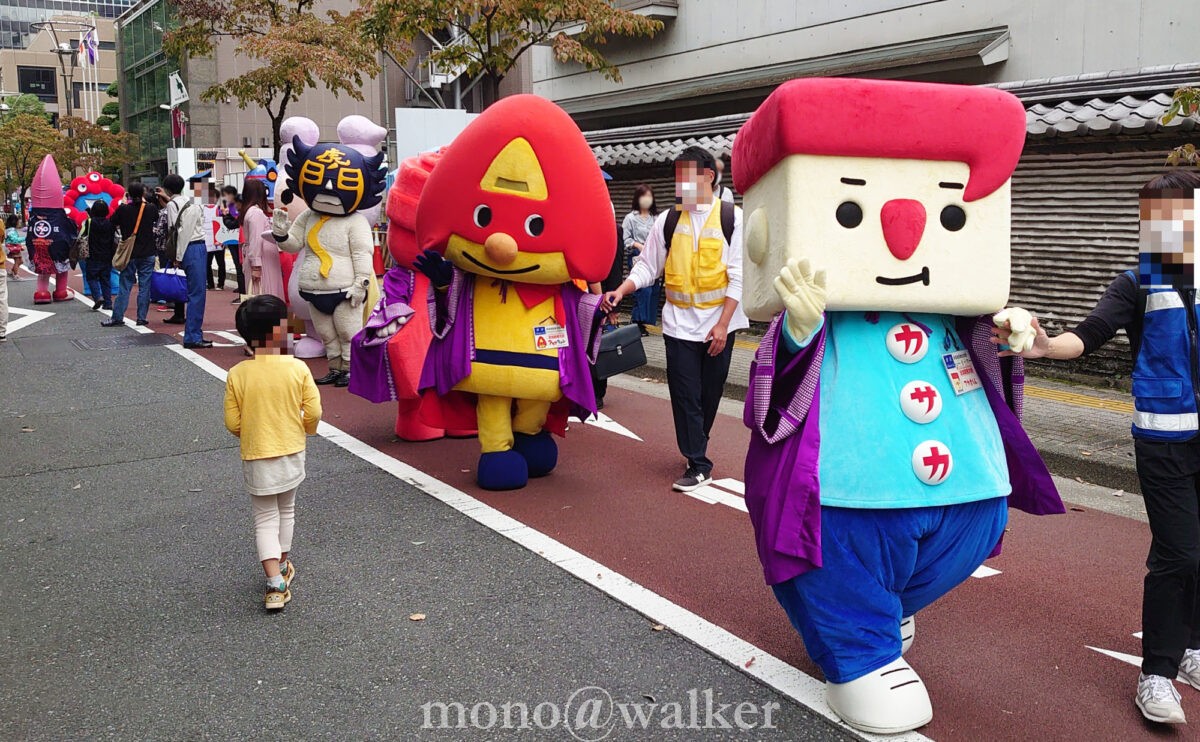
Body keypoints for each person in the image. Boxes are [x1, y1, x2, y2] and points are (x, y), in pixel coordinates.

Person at [996, 168, 1200, 726]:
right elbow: (1085, 337)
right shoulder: (1137, 282)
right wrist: (1041, 346)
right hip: (1164, 439)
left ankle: (1191, 649)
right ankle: (1157, 673)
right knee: (1180, 552)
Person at [602, 146, 748, 492]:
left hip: (719, 325)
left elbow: (739, 274)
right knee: (685, 395)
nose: (680, 186)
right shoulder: (668, 220)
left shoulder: (733, 218)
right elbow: (648, 266)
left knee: (709, 396)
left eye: (687, 178)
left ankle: (697, 445)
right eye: (678, 179)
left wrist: (724, 324)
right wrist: (621, 291)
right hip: (678, 323)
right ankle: (699, 462)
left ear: (708, 177)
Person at [223, 294, 321, 610]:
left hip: (256, 452)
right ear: (280, 331)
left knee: (264, 517)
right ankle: (282, 566)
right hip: (291, 449)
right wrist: (305, 428)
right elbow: (314, 411)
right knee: (287, 510)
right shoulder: (297, 369)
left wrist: (248, 431)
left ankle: (274, 583)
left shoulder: (238, 373)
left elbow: (232, 421)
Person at [163, 173, 211, 349]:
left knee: (195, 293)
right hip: (194, 247)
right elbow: (184, 232)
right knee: (197, 294)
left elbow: (174, 230)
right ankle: (192, 335)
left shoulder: (172, 204)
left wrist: (177, 255)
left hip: (188, 248)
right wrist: (178, 256)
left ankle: (195, 333)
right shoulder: (191, 205)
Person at [104, 182, 160, 328]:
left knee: (125, 285)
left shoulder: (123, 209)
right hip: (148, 252)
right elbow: (155, 218)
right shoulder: (151, 208)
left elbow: (112, 222)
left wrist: (123, 204)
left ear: (128, 194)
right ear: (143, 194)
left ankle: (117, 317)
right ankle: (141, 317)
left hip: (129, 253)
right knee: (144, 286)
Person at [622, 185, 659, 336]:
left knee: (654, 289)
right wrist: (637, 244)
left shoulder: (655, 218)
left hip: (654, 256)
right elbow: (625, 239)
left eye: (649, 196)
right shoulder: (630, 218)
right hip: (637, 256)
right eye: (643, 196)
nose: (646, 200)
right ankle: (637, 321)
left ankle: (646, 321)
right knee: (643, 289)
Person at [240, 179, 283, 301]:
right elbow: (256, 239)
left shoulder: (251, 211)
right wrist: (256, 266)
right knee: (264, 294)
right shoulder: (256, 213)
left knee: (260, 295)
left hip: (262, 258)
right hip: (264, 261)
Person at [84, 201, 116, 311]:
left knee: (92, 277)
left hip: (93, 255)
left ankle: (97, 297)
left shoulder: (89, 222)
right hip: (107, 255)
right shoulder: (110, 223)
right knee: (105, 279)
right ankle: (108, 302)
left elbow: (83, 235)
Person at [217, 185, 245, 303]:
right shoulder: (224, 206)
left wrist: (226, 215)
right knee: (239, 266)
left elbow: (231, 223)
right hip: (233, 240)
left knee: (240, 267)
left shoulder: (238, 209)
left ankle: (243, 294)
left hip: (239, 242)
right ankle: (242, 290)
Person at [5, 215, 26, 280]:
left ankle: (11, 272)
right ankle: (15, 275)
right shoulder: (11, 230)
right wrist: (25, 238)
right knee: (17, 261)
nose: (19, 223)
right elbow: (14, 240)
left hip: (14, 247)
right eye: (18, 221)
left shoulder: (10, 229)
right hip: (13, 248)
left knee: (20, 261)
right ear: (14, 222)